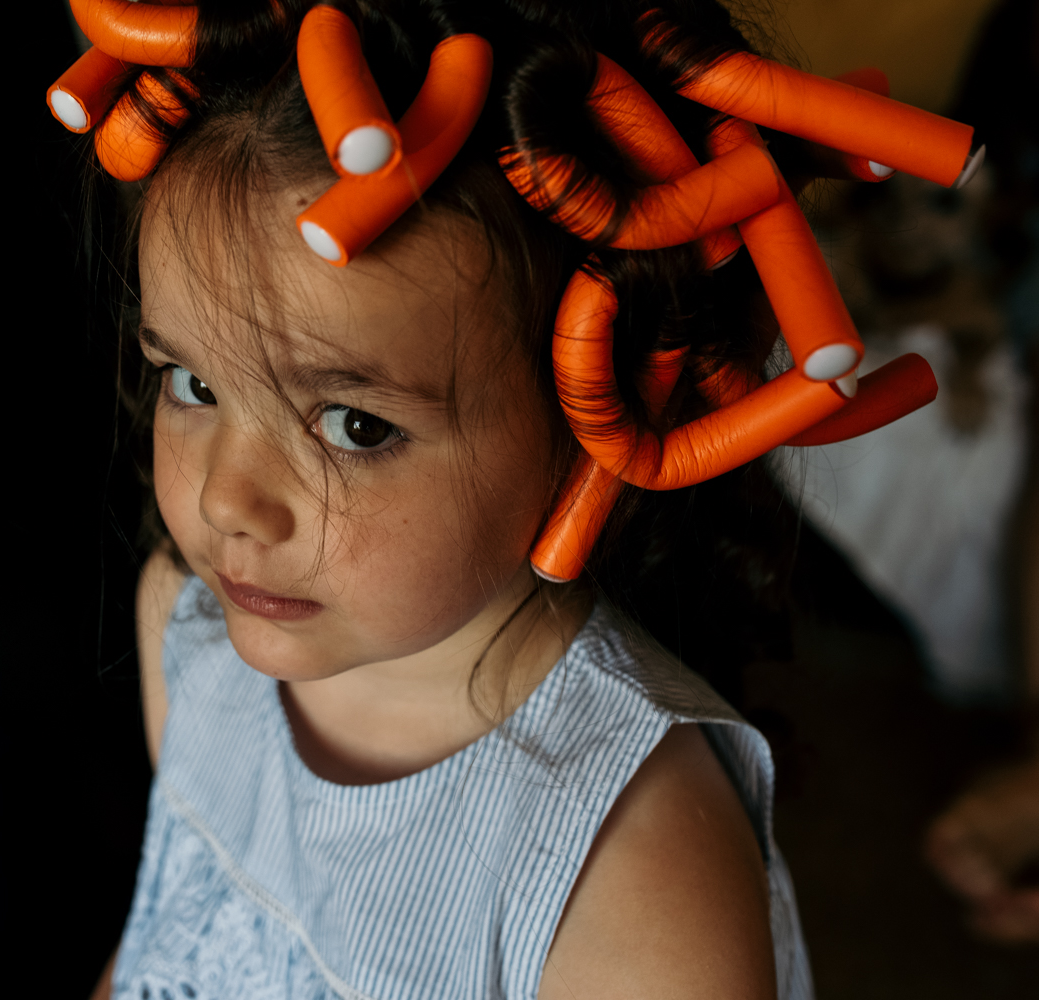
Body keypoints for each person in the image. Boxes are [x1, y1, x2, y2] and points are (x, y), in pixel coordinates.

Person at [48, 1, 974, 996]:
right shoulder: (182, 626)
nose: (230, 501)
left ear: (594, 412)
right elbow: (171, 936)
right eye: (192, 384)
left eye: (355, 426)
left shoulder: (629, 853)